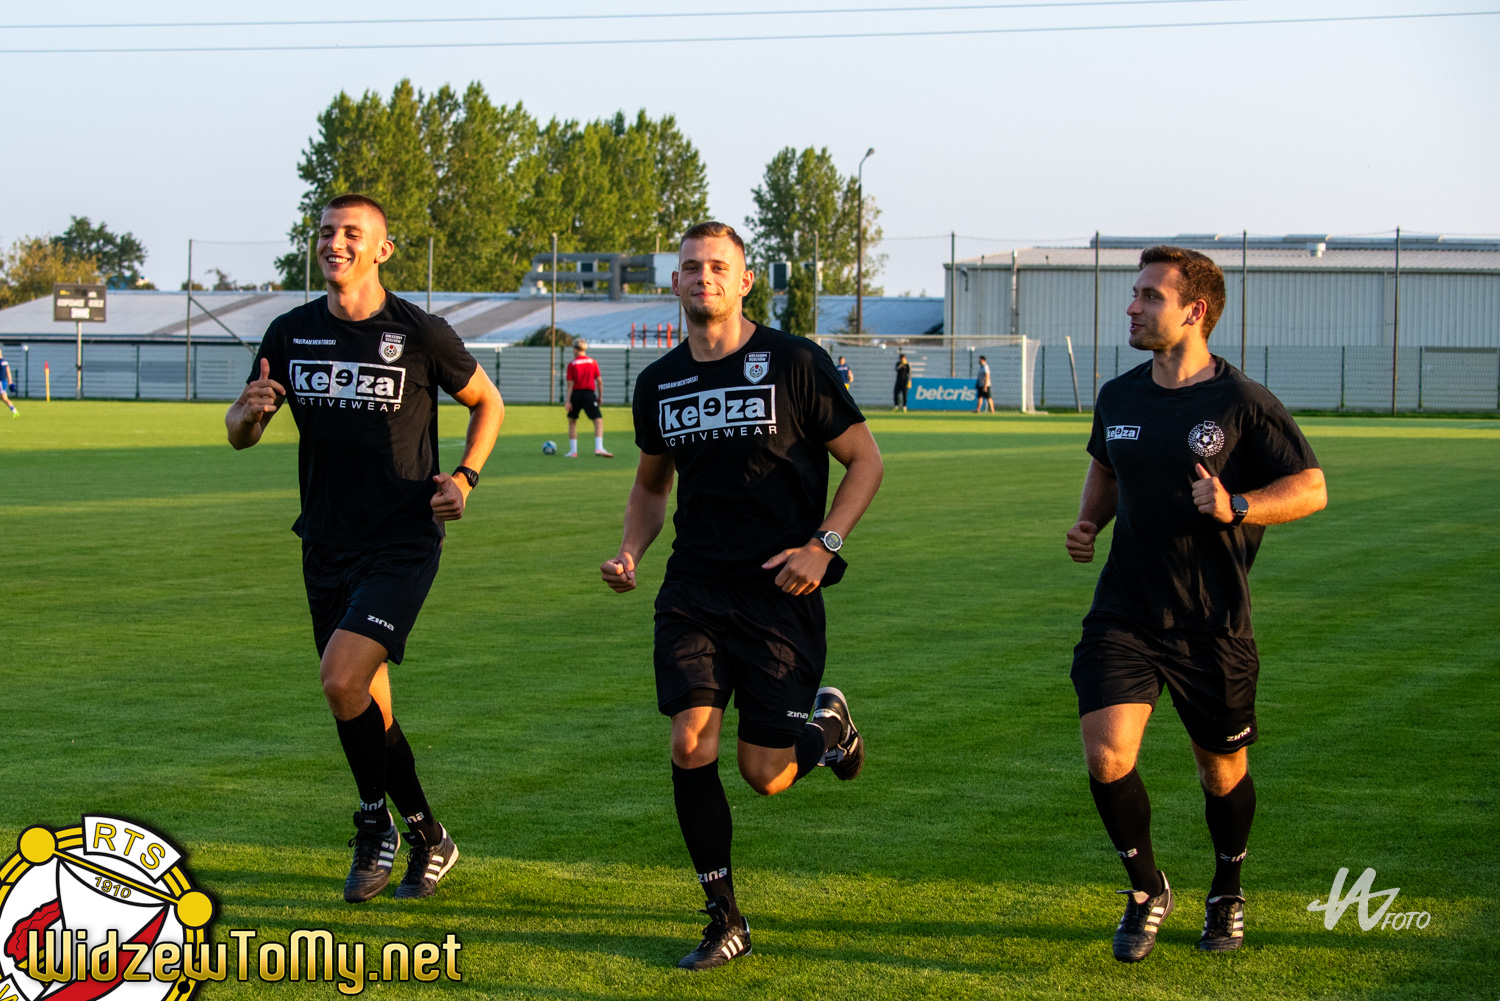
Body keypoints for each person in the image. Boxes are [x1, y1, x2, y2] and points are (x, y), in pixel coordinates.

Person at [600, 221, 884, 971]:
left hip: (780, 590)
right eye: (692, 267)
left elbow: (865, 461)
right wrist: (631, 549)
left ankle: (829, 727)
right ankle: (724, 916)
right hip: (693, 588)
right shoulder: (659, 383)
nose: (705, 277)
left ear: (745, 280)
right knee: (690, 740)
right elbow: (651, 487)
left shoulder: (794, 362)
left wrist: (824, 545)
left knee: (767, 774)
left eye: (719, 267)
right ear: (675, 282)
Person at [226, 193, 504, 903]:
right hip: (324, 542)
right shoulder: (291, 332)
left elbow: (488, 401)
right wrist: (245, 415)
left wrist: (465, 478)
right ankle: (430, 835)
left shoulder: (419, 332)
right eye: (326, 231)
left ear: (382, 249)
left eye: (352, 233)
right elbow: (241, 431)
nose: (335, 242)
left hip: (402, 540)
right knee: (366, 703)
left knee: (339, 680)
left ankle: (374, 822)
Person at [1065, 246, 1327, 962]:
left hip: (1212, 621)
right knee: (1106, 754)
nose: (1132, 306)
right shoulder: (1118, 396)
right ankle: (1146, 889)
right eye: (1135, 293)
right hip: (1125, 610)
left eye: (1150, 295)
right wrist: (1089, 522)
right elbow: (1106, 466)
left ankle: (1226, 890)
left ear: (1194, 311)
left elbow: (1310, 486)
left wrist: (1237, 504)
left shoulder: (1242, 401)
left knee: (1221, 772)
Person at [565, 339, 612, 458]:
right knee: (597, 421)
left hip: (576, 394)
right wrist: (600, 396)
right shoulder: (592, 362)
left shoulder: (572, 364)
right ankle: (599, 448)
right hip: (589, 395)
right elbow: (599, 381)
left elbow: (570, 384)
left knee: (572, 421)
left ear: (576, 349)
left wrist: (568, 401)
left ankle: (573, 451)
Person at [0, 349, 16, 416]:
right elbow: (8, 372)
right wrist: (10, 382)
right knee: (4, 398)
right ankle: (14, 410)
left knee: (4, 398)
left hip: (0, 382)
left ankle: (14, 411)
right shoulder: (5, 362)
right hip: (4, 382)